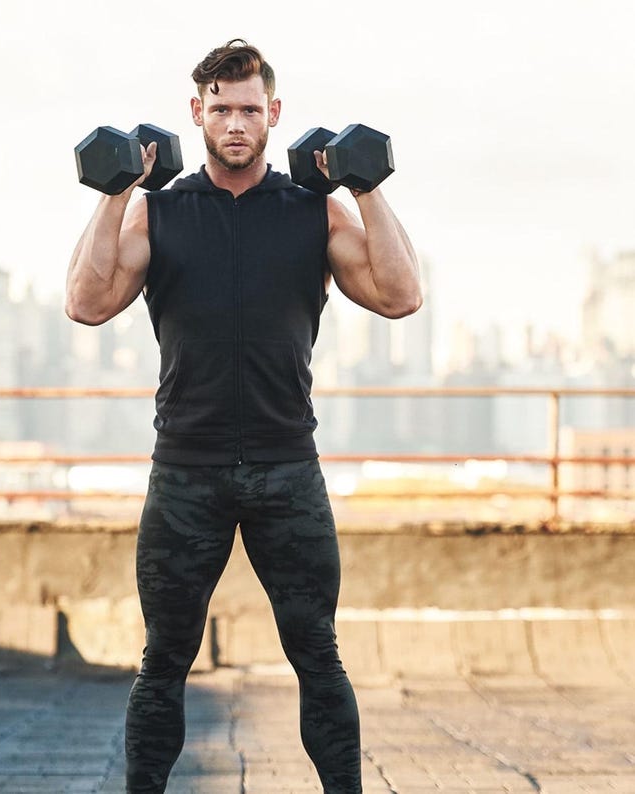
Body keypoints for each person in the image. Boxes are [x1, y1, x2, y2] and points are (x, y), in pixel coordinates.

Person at [66, 39, 421, 794]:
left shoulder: (313, 212)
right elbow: (87, 304)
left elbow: (400, 296)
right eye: (221, 109)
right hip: (186, 472)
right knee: (164, 659)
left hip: (287, 468)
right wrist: (116, 192)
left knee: (317, 653)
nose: (236, 123)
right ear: (197, 113)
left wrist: (365, 187)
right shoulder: (159, 212)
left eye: (249, 110)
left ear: (274, 114)